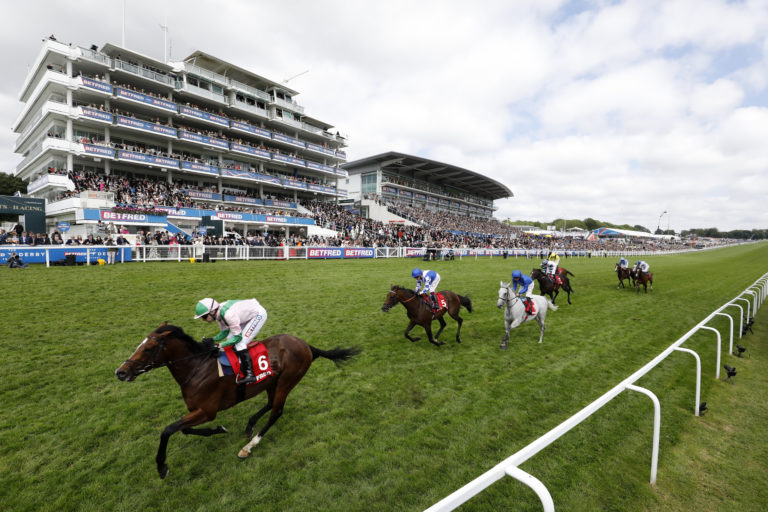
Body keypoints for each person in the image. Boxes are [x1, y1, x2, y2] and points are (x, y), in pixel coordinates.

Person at [194, 297, 268, 385]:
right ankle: (238, 363)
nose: (203, 320)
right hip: (245, 315)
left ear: (212, 311)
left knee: (240, 343)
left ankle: (250, 374)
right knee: (230, 338)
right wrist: (212, 339)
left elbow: (238, 338)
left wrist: (220, 345)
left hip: (258, 314)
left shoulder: (227, 315)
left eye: (204, 316)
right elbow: (225, 332)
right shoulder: (218, 314)